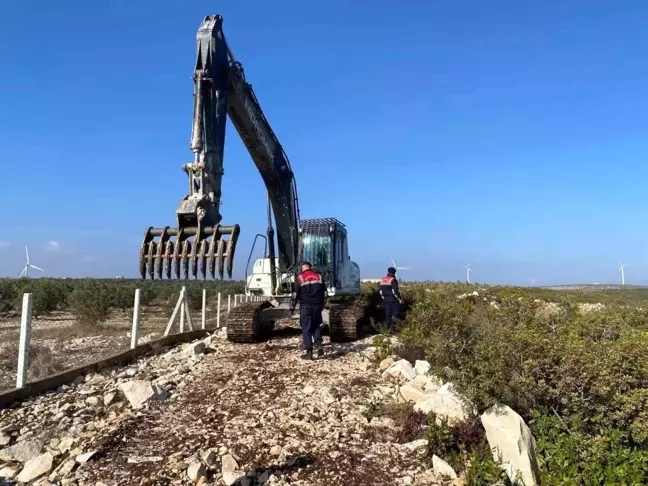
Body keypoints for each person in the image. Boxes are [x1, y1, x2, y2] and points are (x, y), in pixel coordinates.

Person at [290, 261, 327, 360]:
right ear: (310, 267)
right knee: (316, 325)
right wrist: (323, 304)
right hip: (317, 306)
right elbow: (325, 293)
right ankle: (319, 345)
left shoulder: (300, 278)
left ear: (301, 268)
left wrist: (292, 308)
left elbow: (295, 295)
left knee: (306, 328)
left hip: (306, 306)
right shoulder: (319, 277)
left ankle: (309, 353)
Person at [380, 266, 403, 333]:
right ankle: (393, 329)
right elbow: (395, 291)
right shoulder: (393, 280)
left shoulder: (383, 279)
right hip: (393, 300)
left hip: (386, 300)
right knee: (396, 314)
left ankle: (387, 329)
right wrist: (400, 299)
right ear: (394, 273)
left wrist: (384, 298)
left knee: (388, 314)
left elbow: (381, 291)